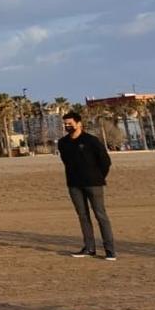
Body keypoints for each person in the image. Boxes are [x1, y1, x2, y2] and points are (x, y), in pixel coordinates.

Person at [55, 111, 116, 260]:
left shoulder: (91, 140)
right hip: (74, 184)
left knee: (100, 215)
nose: (67, 126)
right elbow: (66, 162)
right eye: (65, 124)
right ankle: (89, 248)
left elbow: (105, 162)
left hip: (94, 184)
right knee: (83, 216)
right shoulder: (63, 143)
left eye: (70, 123)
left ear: (79, 123)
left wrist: (98, 177)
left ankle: (110, 250)